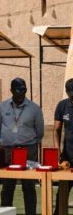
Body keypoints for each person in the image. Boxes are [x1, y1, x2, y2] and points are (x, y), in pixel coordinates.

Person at [0, 77, 43, 215]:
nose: (21, 93)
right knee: (8, 185)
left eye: (23, 90)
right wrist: (4, 141)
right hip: (8, 150)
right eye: (18, 90)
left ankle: (31, 213)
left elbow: (39, 132)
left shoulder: (34, 108)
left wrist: (30, 143)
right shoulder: (1, 107)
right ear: (11, 90)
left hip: (28, 150)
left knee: (29, 185)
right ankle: (4, 212)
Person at [53, 79, 73, 214]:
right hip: (68, 157)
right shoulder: (62, 106)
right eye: (71, 94)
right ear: (67, 92)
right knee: (63, 191)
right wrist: (57, 151)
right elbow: (56, 130)